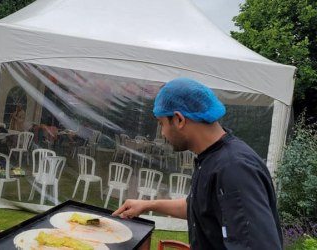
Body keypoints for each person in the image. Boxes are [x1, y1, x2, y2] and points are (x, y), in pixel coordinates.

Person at [113, 77, 283, 249]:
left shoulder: (235, 168)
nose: (162, 133)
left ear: (179, 120)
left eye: (161, 124)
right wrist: (147, 205)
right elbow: (199, 205)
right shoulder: (210, 159)